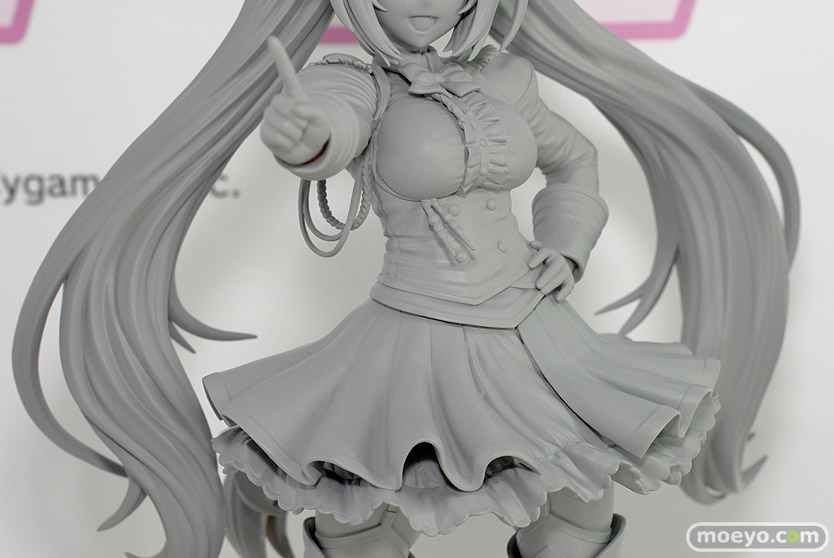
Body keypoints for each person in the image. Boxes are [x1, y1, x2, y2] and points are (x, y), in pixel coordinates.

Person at [13, 0, 798, 557]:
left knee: (579, 513)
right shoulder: (359, 82)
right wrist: (303, 135)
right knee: (358, 516)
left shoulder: (506, 79)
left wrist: (566, 245)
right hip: (413, 337)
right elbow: (329, 127)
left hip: (537, 336)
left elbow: (574, 161)